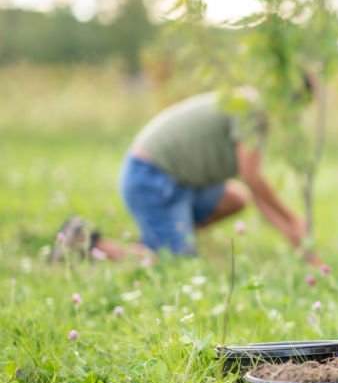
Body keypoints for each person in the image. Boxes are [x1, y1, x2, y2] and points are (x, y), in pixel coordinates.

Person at [50, 83, 317, 264]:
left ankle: (169, 233)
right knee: (173, 261)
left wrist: (293, 234)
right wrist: (293, 220)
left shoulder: (254, 104)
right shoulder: (251, 110)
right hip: (151, 178)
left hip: (181, 183)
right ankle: (84, 242)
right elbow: (253, 176)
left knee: (237, 197)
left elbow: (255, 193)